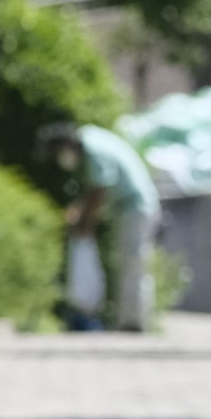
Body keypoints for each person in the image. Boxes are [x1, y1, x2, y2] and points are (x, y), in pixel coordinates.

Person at [43, 119, 160, 332]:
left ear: (65, 145)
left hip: (136, 207)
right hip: (126, 209)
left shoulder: (93, 149)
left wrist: (85, 225)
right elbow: (92, 191)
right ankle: (128, 322)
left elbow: (99, 191)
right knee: (127, 263)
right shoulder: (90, 139)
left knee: (133, 263)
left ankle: (134, 324)